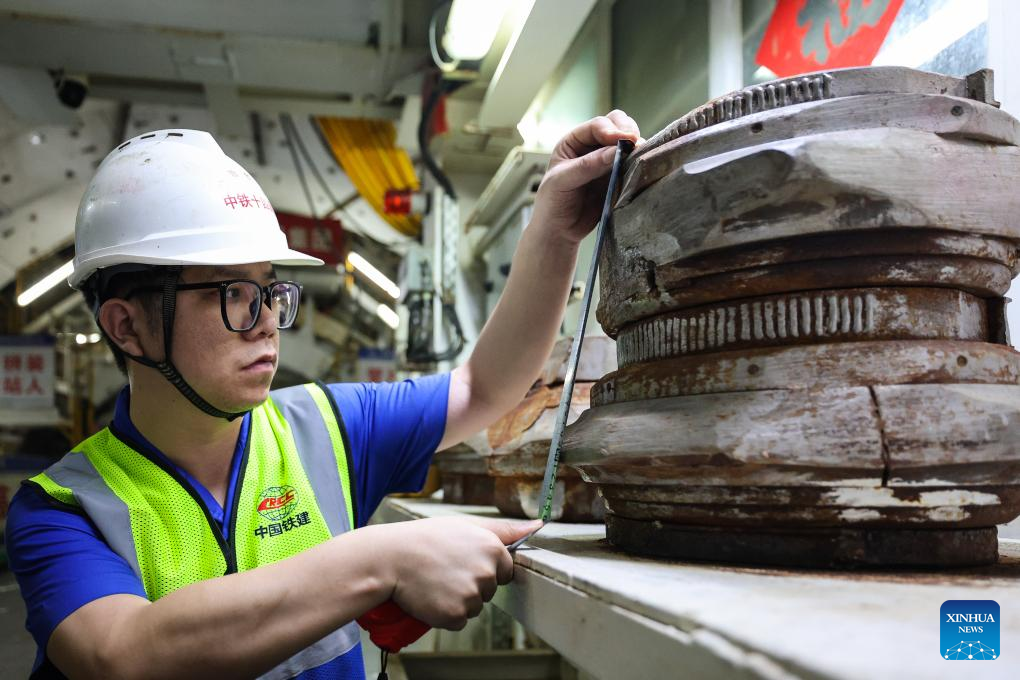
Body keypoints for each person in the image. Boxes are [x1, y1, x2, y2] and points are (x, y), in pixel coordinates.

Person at [5, 111, 641, 680]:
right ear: (127, 326)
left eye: (270, 291)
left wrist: (555, 230)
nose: (265, 322)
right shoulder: (65, 508)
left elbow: (483, 387)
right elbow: (122, 653)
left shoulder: (328, 427)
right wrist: (381, 559)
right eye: (231, 294)